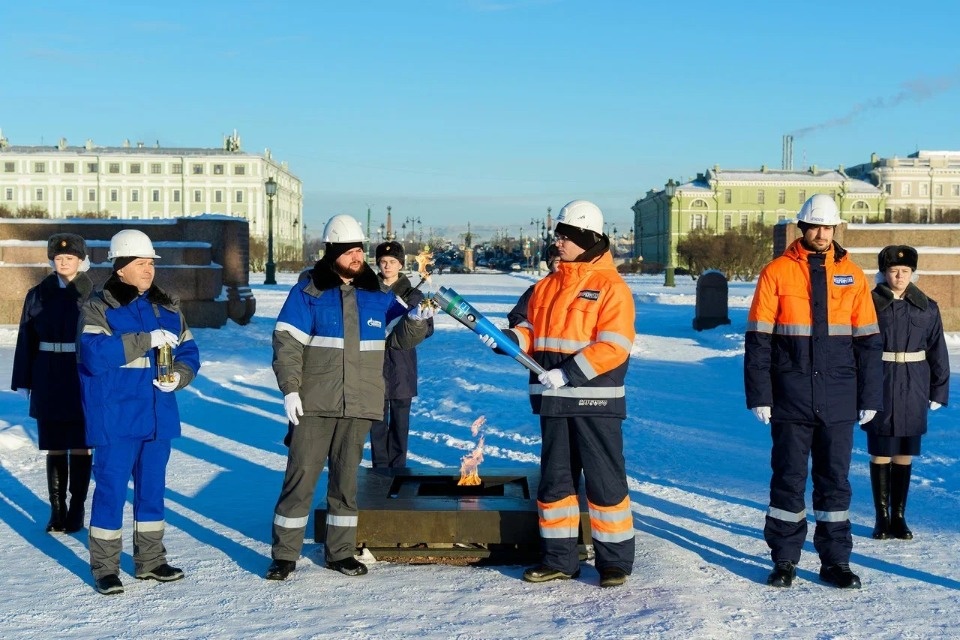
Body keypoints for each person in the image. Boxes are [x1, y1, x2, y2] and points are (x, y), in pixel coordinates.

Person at [266, 215, 433, 581]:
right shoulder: (308, 292)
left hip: (358, 405)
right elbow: (287, 344)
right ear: (334, 253)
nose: (359, 256)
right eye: (351, 251)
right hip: (314, 404)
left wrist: (417, 320)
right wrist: (290, 389)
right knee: (301, 479)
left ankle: (340, 552)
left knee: (346, 483)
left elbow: (400, 339)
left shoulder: (377, 296)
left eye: (361, 250)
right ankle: (284, 555)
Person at [481, 200, 636, 588]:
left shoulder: (611, 288)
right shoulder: (546, 286)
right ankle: (559, 559)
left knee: (605, 484)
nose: (558, 243)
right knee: (556, 484)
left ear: (587, 239)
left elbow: (614, 345)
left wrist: (567, 374)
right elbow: (530, 332)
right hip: (554, 402)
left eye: (565, 237)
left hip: (596, 402)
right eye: (558, 236)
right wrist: (506, 341)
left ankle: (614, 562)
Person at [744, 194, 883, 590]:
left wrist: (871, 397)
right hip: (790, 395)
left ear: (835, 229)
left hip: (839, 398)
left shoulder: (853, 275)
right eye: (815, 227)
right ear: (802, 228)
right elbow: (758, 340)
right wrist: (760, 394)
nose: (822, 234)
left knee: (834, 480)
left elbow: (869, 342)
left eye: (828, 227)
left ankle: (835, 561)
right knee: (787, 478)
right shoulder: (776, 273)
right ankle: (785, 559)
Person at [77, 229, 201, 595]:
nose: (149, 270)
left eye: (150, 263)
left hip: (157, 415)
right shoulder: (99, 306)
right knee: (111, 490)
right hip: (115, 416)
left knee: (152, 489)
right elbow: (95, 355)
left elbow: (190, 352)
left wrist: (178, 376)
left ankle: (150, 561)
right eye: (141, 263)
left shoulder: (167, 307)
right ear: (120, 268)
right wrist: (145, 340)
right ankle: (105, 568)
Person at [865, 245, 950, 540]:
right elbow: (857, 348)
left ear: (913, 273)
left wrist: (939, 388)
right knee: (880, 451)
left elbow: (938, 349)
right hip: (881, 380)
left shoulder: (928, 306)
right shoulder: (869, 304)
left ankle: (899, 517)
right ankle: (881, 517)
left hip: (914, 383)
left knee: (904, 452)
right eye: (893, 271)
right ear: (883, 273)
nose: (899, 276)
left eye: (905, 271)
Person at [12, 233, 94, 534]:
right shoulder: (38, 294)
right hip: (47, 373)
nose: (63, 261)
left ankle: (77, 508)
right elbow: (26, 337)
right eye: (59, 257)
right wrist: (23, 379)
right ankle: (57, 510)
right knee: (55, 445)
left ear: (80, 260)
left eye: (70, 257)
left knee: (82, 445)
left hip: (80, 374)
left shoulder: (92, 295)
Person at [369, 240, 434, 468]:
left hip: (401, 367)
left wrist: (412, 322)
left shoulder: (413, 295)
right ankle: (380, 470)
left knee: (399, 423)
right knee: (376, 423)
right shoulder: (368, 292)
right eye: (383, 262)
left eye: (392, 262)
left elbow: (429, 329)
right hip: (373, 364)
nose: (387, 266)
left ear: (400, 265)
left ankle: (397, 470)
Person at [507, 244, 561, 329]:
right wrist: (533, 332)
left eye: (566, 262)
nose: (562, 266)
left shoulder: (583, 290)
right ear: (550, 265)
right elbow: (517, 318)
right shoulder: (536, 291)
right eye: (557, 262)